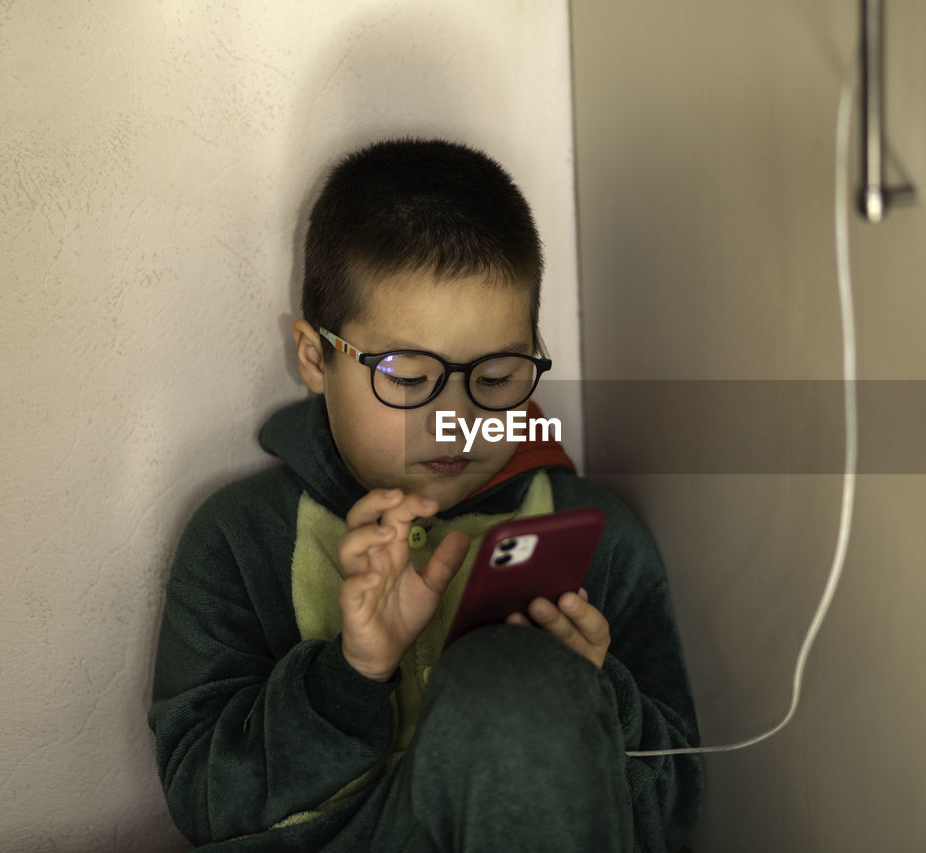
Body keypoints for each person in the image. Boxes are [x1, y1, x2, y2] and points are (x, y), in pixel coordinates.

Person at [147, 138, 704, 852]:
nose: (455, 418)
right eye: (409, 379)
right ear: (316, 357)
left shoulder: (596, 536)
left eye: (497, 375)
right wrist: (349, 676)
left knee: (517, 681)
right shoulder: (237, 540)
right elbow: (202, 802)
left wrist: (595, 699)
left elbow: (677, 805)